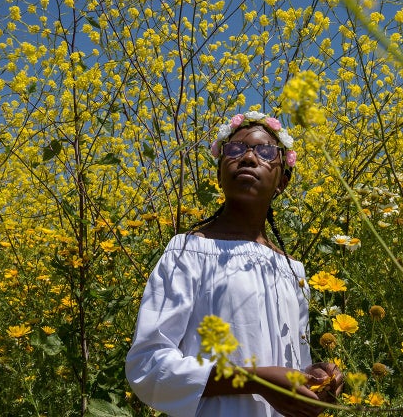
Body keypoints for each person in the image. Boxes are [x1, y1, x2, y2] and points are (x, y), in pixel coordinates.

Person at [125, 111, 343, 417]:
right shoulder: (188, 252)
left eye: (266, 152)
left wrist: (315, 379)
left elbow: (290, 368)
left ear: (282, 180)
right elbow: (149, 365)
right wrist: (255, 380)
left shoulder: (293, 270)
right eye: (235, 150)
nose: (249, 158)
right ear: (219, 174)